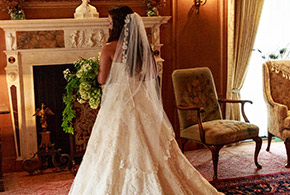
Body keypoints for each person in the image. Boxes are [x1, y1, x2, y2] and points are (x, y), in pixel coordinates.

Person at [69, 6, 222, 195]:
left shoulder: (108, 48)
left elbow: (102, 79)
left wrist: (94, 76)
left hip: (117, 102)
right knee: (148, 143)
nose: (108, 27)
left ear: (117, 25)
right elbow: (151, 75)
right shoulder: (142, 47)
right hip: (140, 99)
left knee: (112, 143)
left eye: (110, 23)